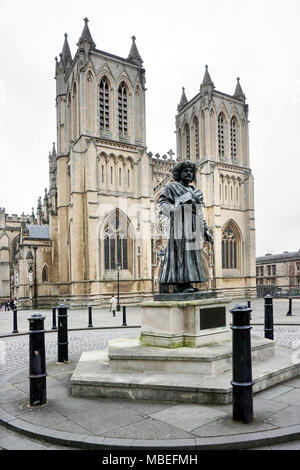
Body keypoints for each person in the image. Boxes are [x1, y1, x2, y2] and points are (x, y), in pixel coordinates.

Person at [158, 160, 213, 294]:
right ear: (179, 173)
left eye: (191, 171)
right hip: (178, 227)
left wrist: (204, 230)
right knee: (180, 255)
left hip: (192, 228)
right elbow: (163, 205)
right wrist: (178, 207)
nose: (188, 173)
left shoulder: (197, 192)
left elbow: (200, 213)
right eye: (185, 171)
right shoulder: (171, 187)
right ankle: (180, 285)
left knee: (192, 255)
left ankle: (188, 282)